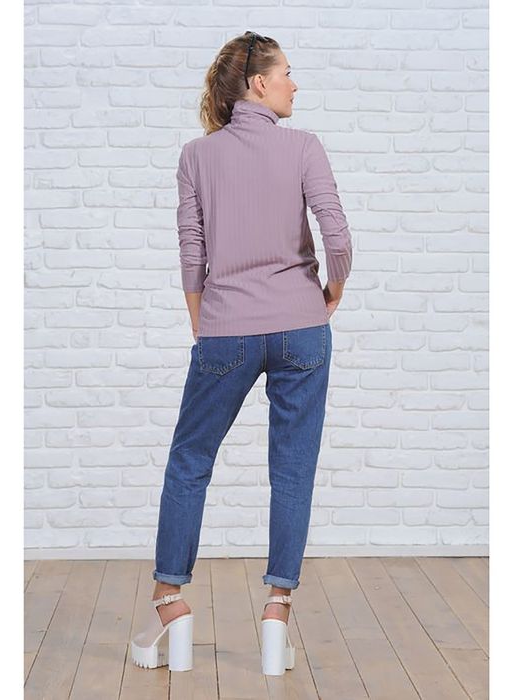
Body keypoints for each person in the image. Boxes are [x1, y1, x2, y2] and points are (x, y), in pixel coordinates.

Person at [131, 31, 353, 675]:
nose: (294, 83)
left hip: (225, 329)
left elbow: (191, 249)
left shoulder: (197, 156)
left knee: (190, 460)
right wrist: (333, 289)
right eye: (286, 72)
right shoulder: (303, 146)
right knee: (293, 469)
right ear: (258, 82)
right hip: (302, 328)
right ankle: (277, 612)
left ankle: (170, 603)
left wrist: (203, 320)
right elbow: (336, 233)